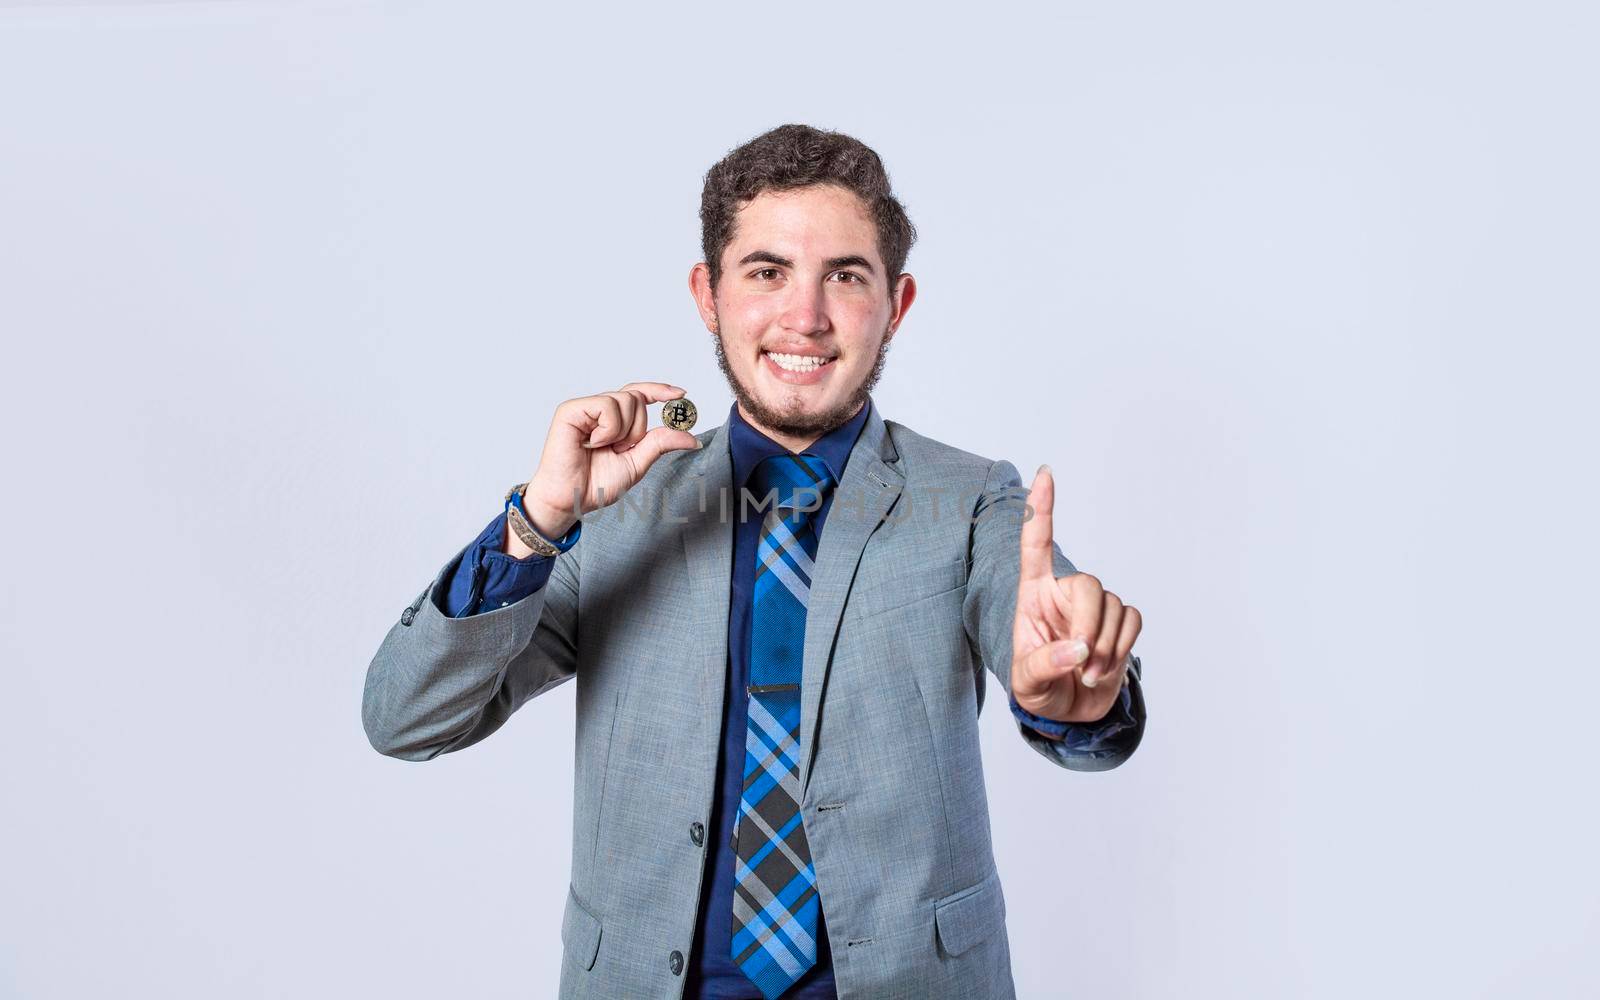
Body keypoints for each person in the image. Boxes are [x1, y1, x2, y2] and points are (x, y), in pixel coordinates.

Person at [362, 123, 1147, 1000]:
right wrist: (537, 523)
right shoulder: (611, 509)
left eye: (845, 276)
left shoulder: (972, 502)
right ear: (709, 294)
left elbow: (1051, 636)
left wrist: (1077, 701)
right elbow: (406, 719)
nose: (804, 316)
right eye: (767, 272)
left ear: (897, 301)